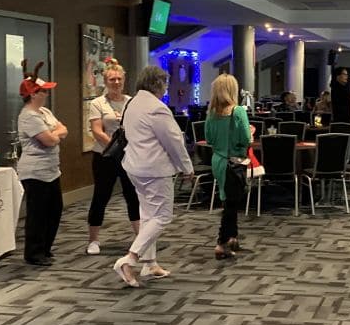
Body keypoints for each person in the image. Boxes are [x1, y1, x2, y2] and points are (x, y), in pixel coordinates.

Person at [113, 66, 193, 288]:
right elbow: (174, 141)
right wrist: (187, 167)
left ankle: (150, 263)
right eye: (165, 84)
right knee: (162, 216)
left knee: (148, 215)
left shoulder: (133, 103)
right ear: (157, 84)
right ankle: (131, 258)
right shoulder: (157, 108)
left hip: (135, 167)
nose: (166, 88)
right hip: (154, 169)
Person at [85, 58, 140, 255]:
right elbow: (97, 130)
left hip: (129, 157)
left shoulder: (131, 102)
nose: (116, 83)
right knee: (101, 196)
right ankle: (93, 240)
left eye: (119, 79)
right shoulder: (98, 103)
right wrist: (114, 146)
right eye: (111, 79)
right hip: (105, 157)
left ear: (124, 80)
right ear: (105, 81)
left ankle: (140, 239)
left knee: (132, 196)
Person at [16, 60, 67, 267]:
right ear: (34, 94)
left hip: (52, 170)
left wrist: (55, 133)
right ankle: (34, 253)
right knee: (37, 214)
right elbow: (50, 140)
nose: (46, 94)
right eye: (43, 91)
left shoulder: (45, 113)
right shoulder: (28, 117)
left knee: (54, 209)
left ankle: (46, 248)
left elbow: (63, 129)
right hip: (34, 172)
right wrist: (55, 134)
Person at [205, 74, 252, 260]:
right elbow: (245, 138)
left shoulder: (211, 114)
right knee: (231, 205)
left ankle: (233, 238)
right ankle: (222, 242)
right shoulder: (238, 111)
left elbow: (208, 139)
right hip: (234, 162)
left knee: (228, 200)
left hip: (218, 160)